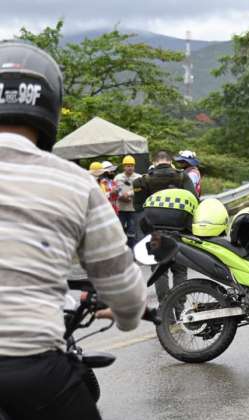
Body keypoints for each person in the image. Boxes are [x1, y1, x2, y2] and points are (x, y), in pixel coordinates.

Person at [0, 40, 147, 420]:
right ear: (48, 105)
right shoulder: (77, 183)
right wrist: (127, 314)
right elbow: (124, 288)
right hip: (30, 371)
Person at [133, 150, 196, 302]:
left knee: (159, 272)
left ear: (154, 163)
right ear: (170, 161)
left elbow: (138, 208)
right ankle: (180, 312)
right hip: (180, 231)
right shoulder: (182, 176)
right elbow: (193, 201)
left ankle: (165, 309)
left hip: (155, 233)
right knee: (180, 271)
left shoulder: (142, 181)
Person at [115, 155, 142, 248]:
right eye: (127, 165)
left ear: (134, 166)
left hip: (133, 209)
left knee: (132, 231)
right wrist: (121, 196)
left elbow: (142, 189)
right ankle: (121, 249)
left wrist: (130, 193)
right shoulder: (118, 177)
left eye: (131, 165)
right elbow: (114, 189)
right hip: (121, 208)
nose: (130, 167)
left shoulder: (139, 177)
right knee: (119, 230)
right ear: (124, 167)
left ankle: (132, 250)